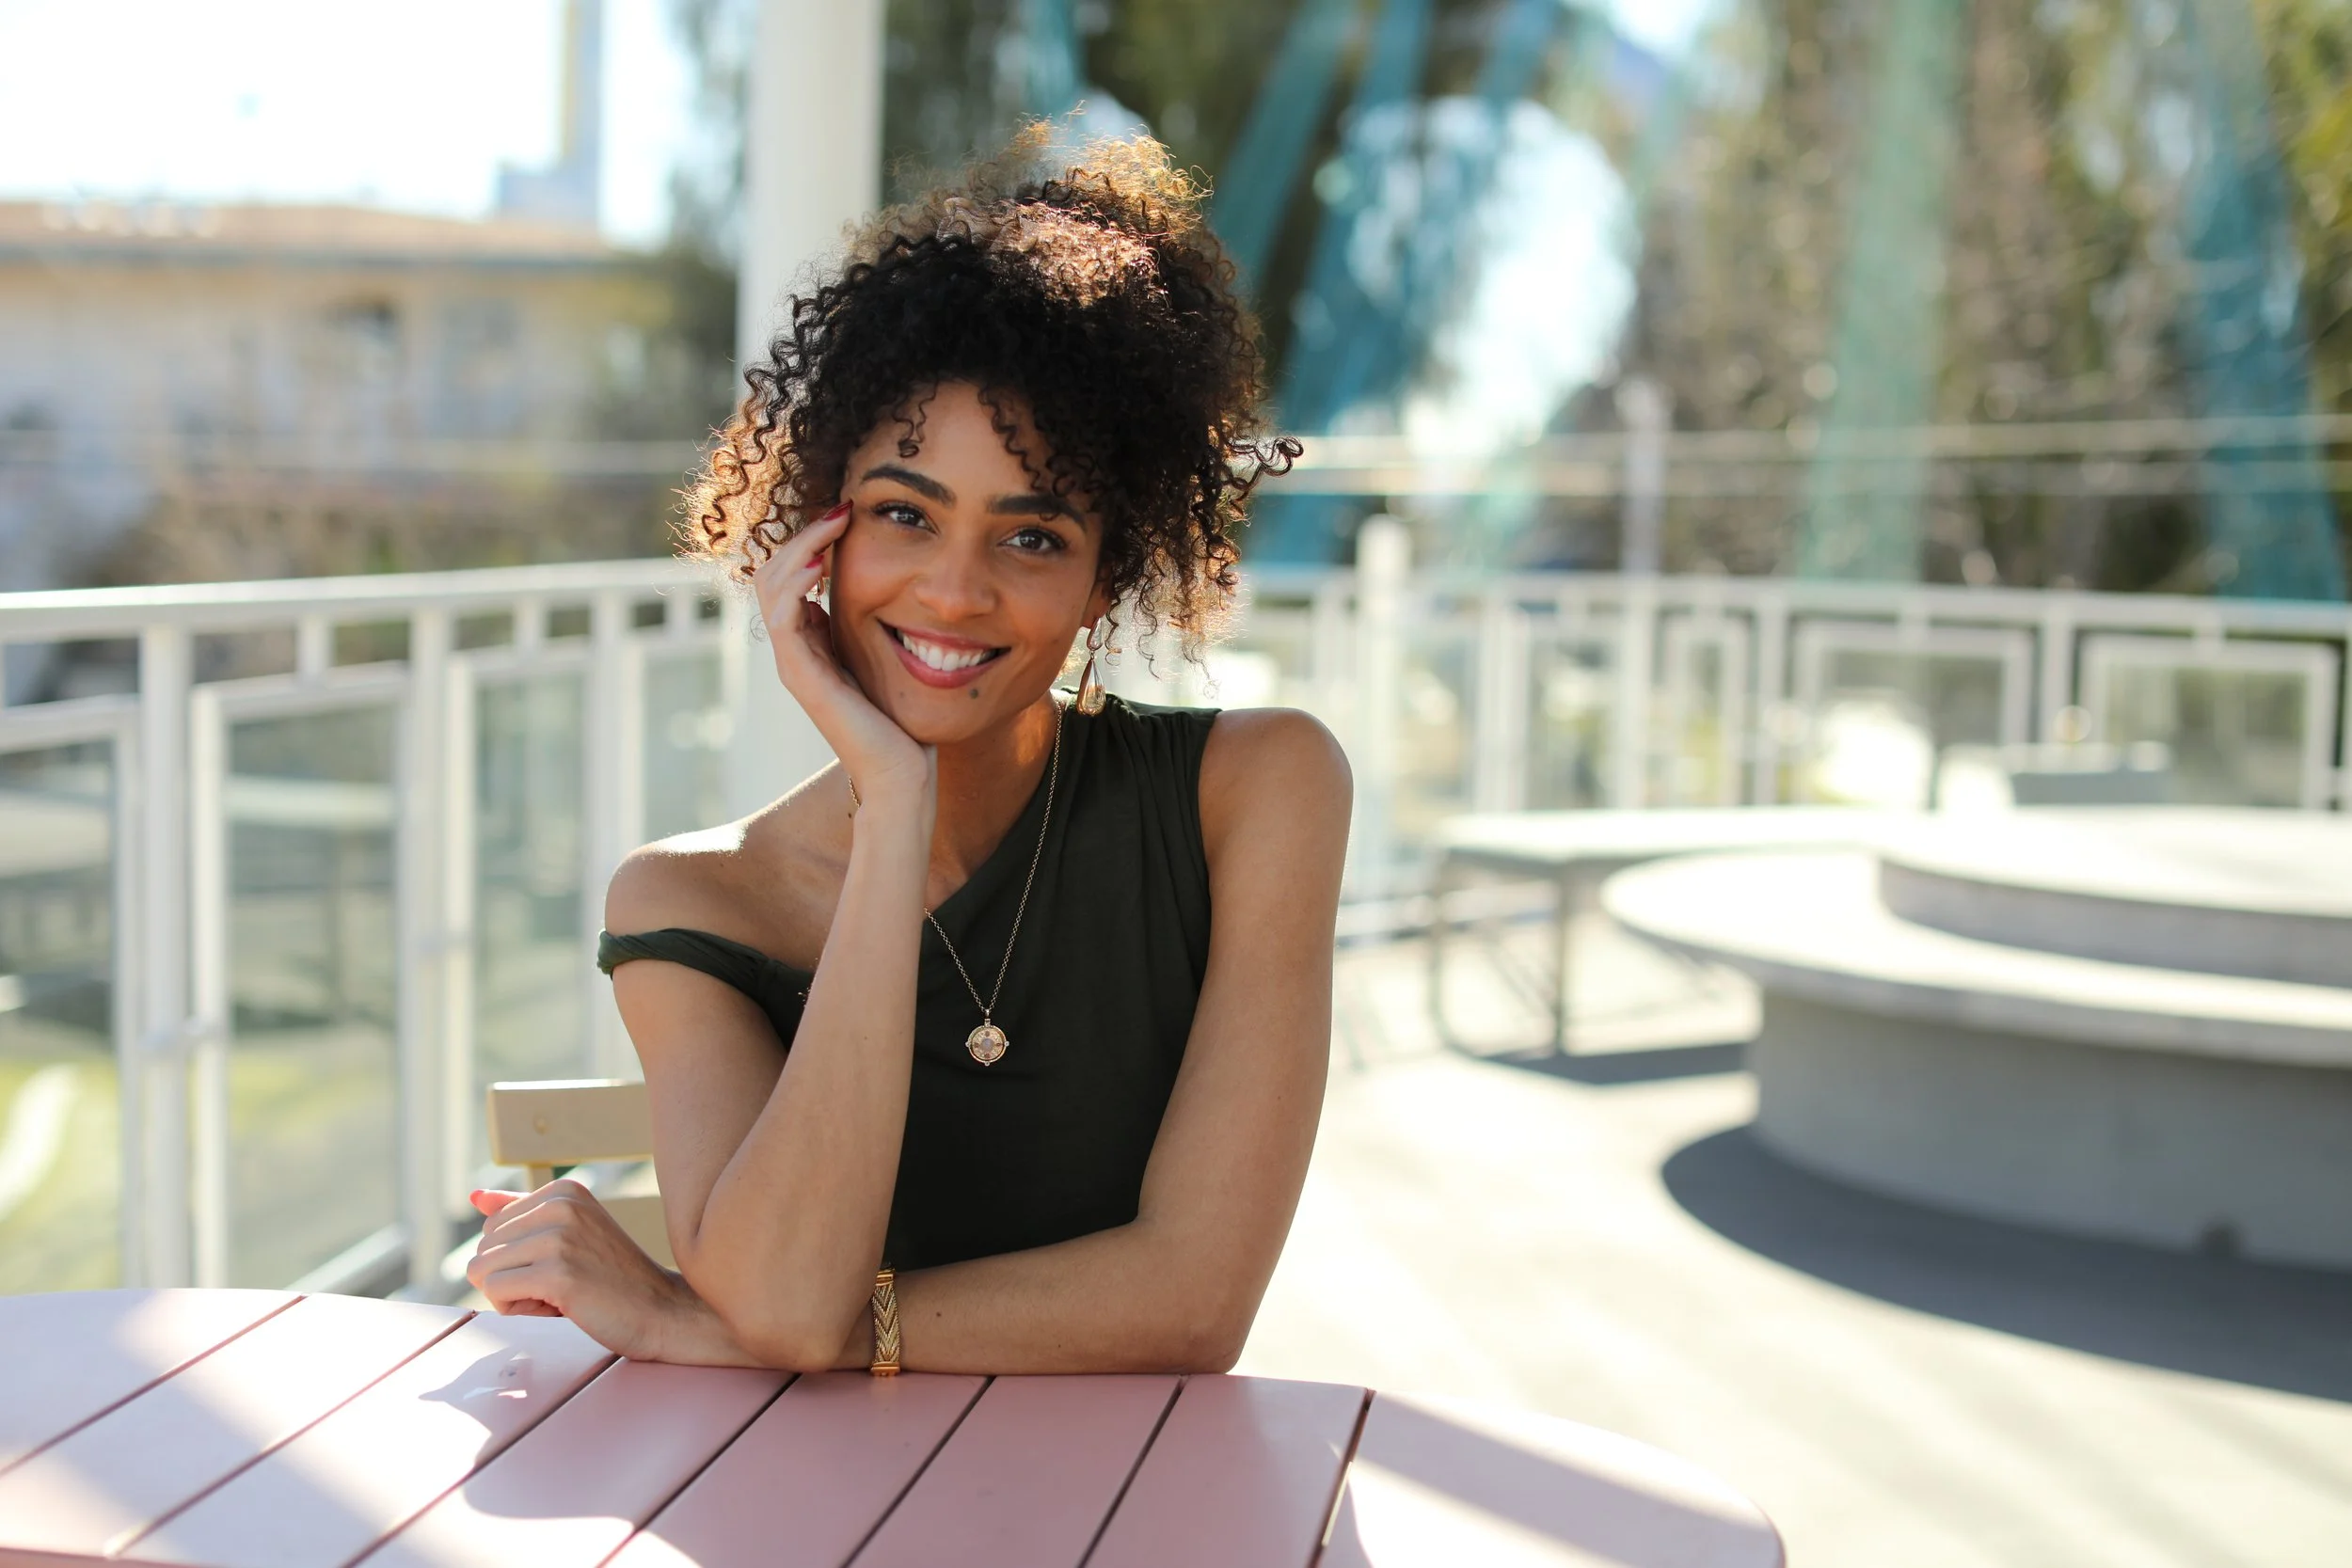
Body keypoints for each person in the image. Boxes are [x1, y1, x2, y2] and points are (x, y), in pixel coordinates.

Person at [462, 132, 1350, 1375]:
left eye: (1030, 536)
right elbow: (776, 1297)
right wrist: (892, 800)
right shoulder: (688, 902)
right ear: (818, 534)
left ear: (1108, 578)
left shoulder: (1257, 791)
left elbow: (1195, 1302)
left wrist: (728, 1324)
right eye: (903, 513)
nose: (953, 590)